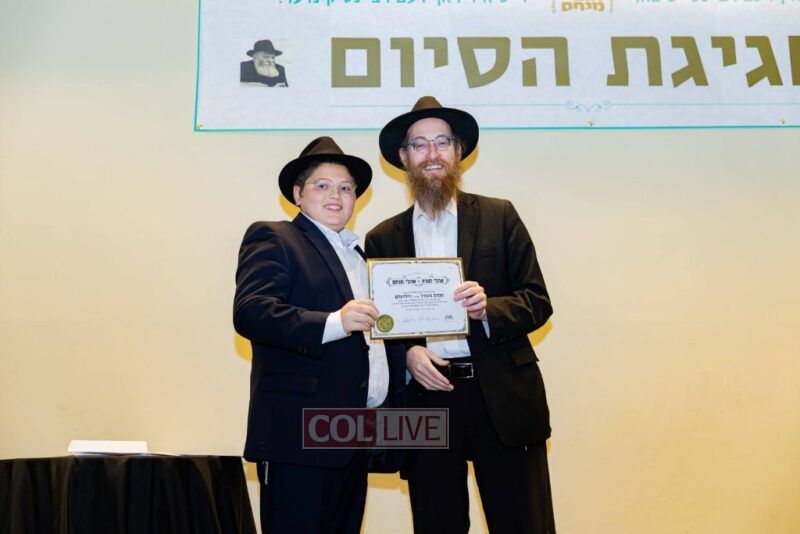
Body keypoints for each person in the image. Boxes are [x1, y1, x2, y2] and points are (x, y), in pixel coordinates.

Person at [365, 96, 556, 534]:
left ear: (458, 152)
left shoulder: (499, 215)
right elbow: (377, 328)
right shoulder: (381, 237)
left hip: (501, 394)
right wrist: (406, 353)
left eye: (442, 142)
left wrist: (489, 309)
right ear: (404, 158)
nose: (431, 153)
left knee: (523, 523)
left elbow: (537, 300)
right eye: (419, 144)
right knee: (436, 523)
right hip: (422, 400)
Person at [233, 136, 403, 533]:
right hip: (299, 436)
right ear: (298, 194)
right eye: (322, 185)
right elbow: (252, 312)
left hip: (353, 434)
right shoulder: (275, 237)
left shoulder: (362, 259)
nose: (336, 196)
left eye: (346, 188)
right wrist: (335, 322)